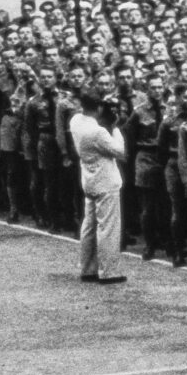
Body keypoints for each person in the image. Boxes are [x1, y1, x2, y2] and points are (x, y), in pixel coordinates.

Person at [69, 87, 127, 284]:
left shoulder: (76, 121)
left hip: (89, 177)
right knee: (108, 227)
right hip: (106, 180)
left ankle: (87, 268)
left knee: (89, 225)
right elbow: (119, 151)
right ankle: (108, 271)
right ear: (99, 107)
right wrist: (116, 128)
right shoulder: (98, 131)